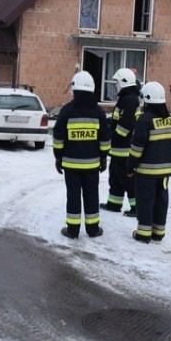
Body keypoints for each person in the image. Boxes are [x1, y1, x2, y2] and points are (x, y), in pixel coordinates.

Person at [52, 71, 111, 239]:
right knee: (92, 195)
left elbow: (58, 137)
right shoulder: (98, 112)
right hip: (92, 164)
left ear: (74, 89)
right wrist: (103, 157)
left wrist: (58, 157)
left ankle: (73, 230)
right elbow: (105, 138)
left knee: (73, 195)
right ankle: (93, 229)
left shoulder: (67, 110)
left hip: (70, 164)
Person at [128, 81, 171, 244]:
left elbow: (137, 147)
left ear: (146, 100)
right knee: (161, 201)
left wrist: (130, 165)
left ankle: (143, 233)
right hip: (164, 172)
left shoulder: (144, 120)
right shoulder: (170, 119)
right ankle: (158, 232)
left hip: (146, 171)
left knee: (145, 200)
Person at [100, 68, 141, 217]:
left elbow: (125, 126)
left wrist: (111, 137)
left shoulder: (129, 99)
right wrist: (109, 122)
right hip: (118, 149)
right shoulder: (126, 98)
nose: (115, 84)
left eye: (117, 82)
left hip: (124, 148)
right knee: (115, 177)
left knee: (127, 179)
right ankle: (114, 203)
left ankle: (136, 208)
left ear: (123, 82)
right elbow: (119, 118)